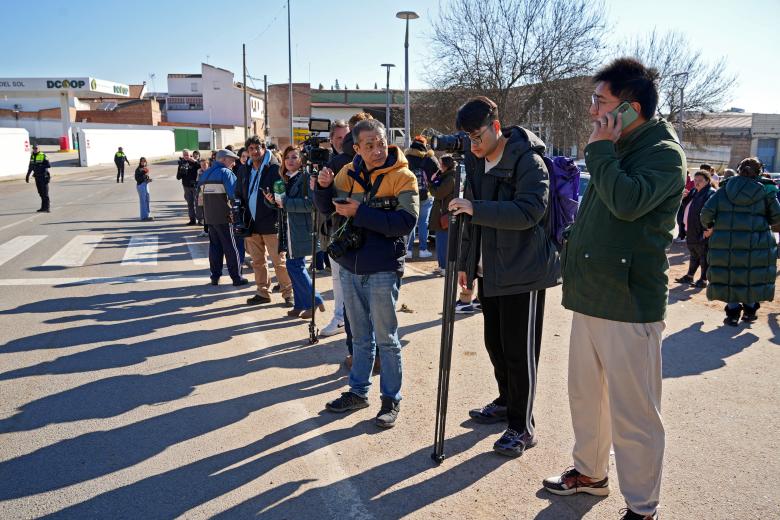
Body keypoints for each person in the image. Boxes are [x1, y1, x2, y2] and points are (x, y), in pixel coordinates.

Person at [542, 58, 686, 520]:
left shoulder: (663, 153)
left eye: (600, 102)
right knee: (586, 398)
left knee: (635, 414)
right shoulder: (619, 142)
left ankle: (642, 507)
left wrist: (600, 150)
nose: (592, 112)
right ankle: (590, 474)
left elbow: (625, 203)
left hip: (629, 301)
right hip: (592, 295)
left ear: (631, 107)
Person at [448, 96, 560, 458]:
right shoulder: (476, 162)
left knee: (519, 352)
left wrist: (476, 208)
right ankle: (505, 401)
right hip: (490, 270)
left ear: (496, 127)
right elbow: (468, 219)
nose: (473, 144)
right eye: (467, 138)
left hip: (523, 271)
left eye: (478, 136)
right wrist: (466, 262)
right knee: (495, 344)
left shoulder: (529, 161)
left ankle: (522, 425)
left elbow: (529, 211)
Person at [315, 118, 419, 428]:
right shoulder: (348, 172)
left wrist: (361, 212)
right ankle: (358, 392)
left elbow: (405, 222)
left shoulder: (404, 176)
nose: (376, 150)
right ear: (357, 148)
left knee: (386, 339)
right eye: (368, 145)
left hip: (383, 269)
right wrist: (321, 188)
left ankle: (391, 400)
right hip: (349, 267)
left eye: (380, 143)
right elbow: (327, 208)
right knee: (359, 338)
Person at [701, 157, 780, 326]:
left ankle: (733, 314)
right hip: (757, 242)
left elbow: (706, 213)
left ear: (739, 169)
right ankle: (750, 311)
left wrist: (711, 226)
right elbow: (776, 217)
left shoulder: (724, 188)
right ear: (759, 171)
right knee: (751, 274)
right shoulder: (767, 189)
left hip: (725, 242)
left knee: (730, 274)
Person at [320, 113, 373, 352]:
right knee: (353, 299)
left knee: (366, 304)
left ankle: (362, 354)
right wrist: (321, 187)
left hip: (373, 242)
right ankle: (359, 354)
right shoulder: (338, 164)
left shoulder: (391, 161)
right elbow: (323, 205)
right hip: (345, 238)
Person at [264, 146, 324, 319]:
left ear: (301, 160)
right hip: (287, 229)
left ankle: (315, 300)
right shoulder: (285, 179)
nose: (290, 160)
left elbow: (311, 205)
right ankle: (300, 305)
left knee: (294, 266)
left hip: (301, 231)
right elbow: (281, 205)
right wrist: (272, 202)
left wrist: (286, 203)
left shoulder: (306, 178)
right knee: (293, 268)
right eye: (287, 157)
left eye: (294, 157)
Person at [236, 135, 294, 307]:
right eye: (251, 149)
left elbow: (282, 196)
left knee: (279, 261)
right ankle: (262, 292)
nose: (254, 151)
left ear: (263, 148)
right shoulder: (244, 170)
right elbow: (238, 192)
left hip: (271, 222)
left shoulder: (274, 168)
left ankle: (288, 293)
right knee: (258, 261)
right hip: (251, 223)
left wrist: (273, 202)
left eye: (257, 148)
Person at [197, 149, 248, 287]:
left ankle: (215, 277)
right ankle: (236, 278)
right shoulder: (226, 173)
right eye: (232, 160)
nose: (233, 163)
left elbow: (200, 198)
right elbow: (234, 195)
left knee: (215, 248)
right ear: (224, 159)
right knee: (232, 248)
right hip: (226, 217)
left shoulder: (205, 174)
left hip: (210, 217)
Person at [674, 170, 716, 288]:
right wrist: (684, 198)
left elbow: (713, 212)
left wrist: (710, 227)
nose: (697, 183)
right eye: (695, 180)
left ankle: (703, 279)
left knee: (703, 255)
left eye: (700, 181)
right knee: (693, 254)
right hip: (691, 228)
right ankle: (689, 276)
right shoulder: (693, 191)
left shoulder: (710, 193)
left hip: (703, 229)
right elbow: (686, 207)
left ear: (707, 181)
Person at [405, 136, 440, 259]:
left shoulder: (405, 158)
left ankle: (407, 251)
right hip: (426, 194)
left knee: (411, 222)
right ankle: (423, 250)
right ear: (425, 145)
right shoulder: (429, 159)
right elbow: (438, 175)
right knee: (423, 223)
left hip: (409, 195)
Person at [428, 155, 458, 276]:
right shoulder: (445, 176)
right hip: (441, 213)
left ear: (446, 165)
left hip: (444, 215)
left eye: (441, 164)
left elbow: (439, 194)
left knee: (443, 243)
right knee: (440, 242)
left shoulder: (450, 178)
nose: (439, 166)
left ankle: (445, 268)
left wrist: (431, 184)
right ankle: (442, 266)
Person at [176, 149, 200, 225]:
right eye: (184, 155)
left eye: (187, 155)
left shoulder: (194, 162)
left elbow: (201, 167)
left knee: (198, 204)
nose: (186, 156)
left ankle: (200, 219)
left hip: (195, 186)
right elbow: (178, 177)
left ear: (191, 155)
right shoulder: (181, 163)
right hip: (186, 186)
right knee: (190, 204)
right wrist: (181, 170)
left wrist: (194, 161)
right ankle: (192, 220)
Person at [26, 144, 51, 212]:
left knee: (45, 193)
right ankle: (43, 207)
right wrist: (27, 175)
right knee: (40, 193)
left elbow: (48, 165)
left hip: (44, 176)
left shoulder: (43, 155)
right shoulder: (32, 156)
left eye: (36, 148)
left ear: (39, 149)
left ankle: (47, 208)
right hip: (37, 177)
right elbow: (30, 166)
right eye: (34, 148)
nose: (35, 149)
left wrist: (39, 166)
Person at [196, 158, 209, 236]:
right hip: (201, 194)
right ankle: (205, 230)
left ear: (208, 164)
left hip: (209, 194)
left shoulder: (210, 172)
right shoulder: (199, 172)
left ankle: (208, 230)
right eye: (201, 165)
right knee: (204, 213)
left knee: (208, 213)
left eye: (205, 164)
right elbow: (198, 183)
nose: (203, 166)